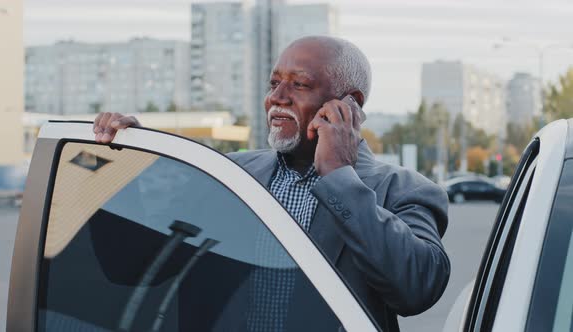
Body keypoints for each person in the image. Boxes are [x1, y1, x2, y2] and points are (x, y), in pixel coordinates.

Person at [93, 36, 450, 332]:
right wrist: (129, 157)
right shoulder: (229, 174)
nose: (277, 97)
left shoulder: (404, 189)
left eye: (299, 84)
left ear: (348, 104)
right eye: (274, 82)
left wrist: (339, 176)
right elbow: (131, 266)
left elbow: (416, 289)